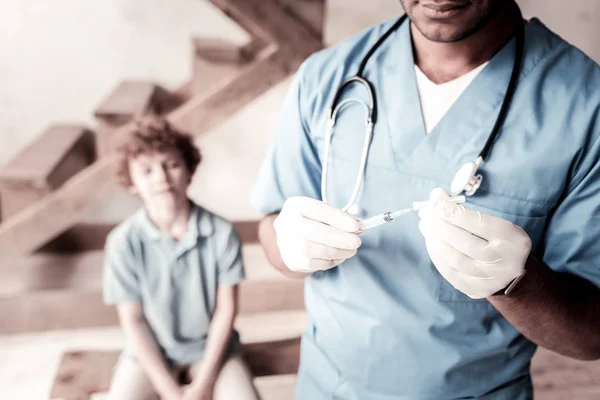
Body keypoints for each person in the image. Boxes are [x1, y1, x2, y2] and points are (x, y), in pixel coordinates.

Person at [250, 0, 600, 398]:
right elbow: (271, 223)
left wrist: (519, 284)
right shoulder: (326, 76)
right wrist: (286, 245)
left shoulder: (585, 106)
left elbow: (591, 336)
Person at [103, 116, 260, 400]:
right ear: (131, 182)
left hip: (212, 351)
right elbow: (134, 321)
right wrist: (169, 391)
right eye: (146, 170)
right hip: (150, 353)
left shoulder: (222, 233)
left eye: (172, 165)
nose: (161, 178)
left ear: (189, 170)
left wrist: (204, 383)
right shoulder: (122, 243)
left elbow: (225, 312)